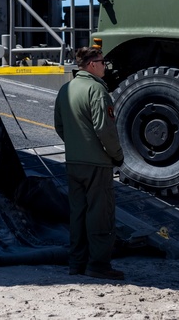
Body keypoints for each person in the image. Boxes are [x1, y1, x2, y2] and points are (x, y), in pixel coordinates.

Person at [53, 45, 125, 280]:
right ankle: (99, 265)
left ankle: (77, 264)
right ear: (92, 64)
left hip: (73, 162)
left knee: (78, 214)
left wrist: (77, 144)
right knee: (100, 214)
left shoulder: (65, 89)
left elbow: (60, 126)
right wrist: (117, 155)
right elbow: (105, 129)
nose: (106, 66)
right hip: (97, 164)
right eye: (103, 62)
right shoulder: (97, 90)